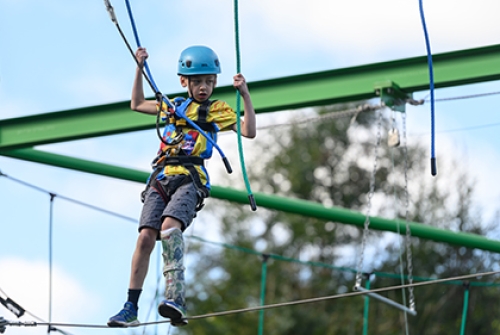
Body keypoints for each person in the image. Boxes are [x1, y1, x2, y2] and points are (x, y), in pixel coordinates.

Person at [107, 45, 256, 327]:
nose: (204, 88)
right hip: (162, 176)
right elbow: (137, 104)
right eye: (198, 82)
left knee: (169, 229)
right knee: (145, 237)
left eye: (210, 82)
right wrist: (140, 67)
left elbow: (248, 130)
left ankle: (175, 298)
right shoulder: (174, 106)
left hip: (190, 178)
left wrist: (245, 95)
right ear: (184, 81)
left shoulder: (217, 110)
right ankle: (130, 307)